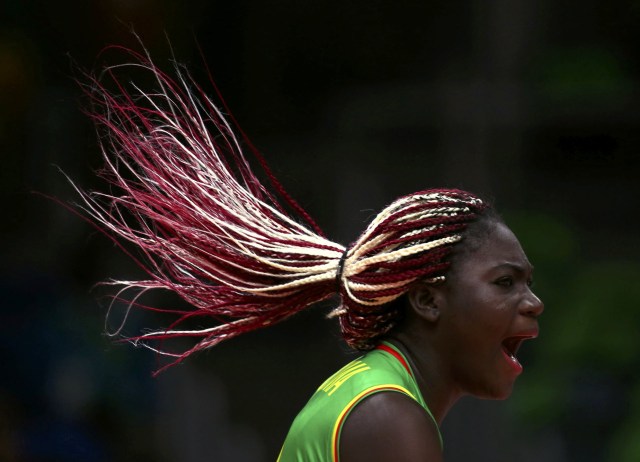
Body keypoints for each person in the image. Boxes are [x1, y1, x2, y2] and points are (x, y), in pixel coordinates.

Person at [70, 44, 543, 462]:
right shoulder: (388, 417)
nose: (534, 301)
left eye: (527, 282)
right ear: (427, 299)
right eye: (505, 282)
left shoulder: (373, 392)